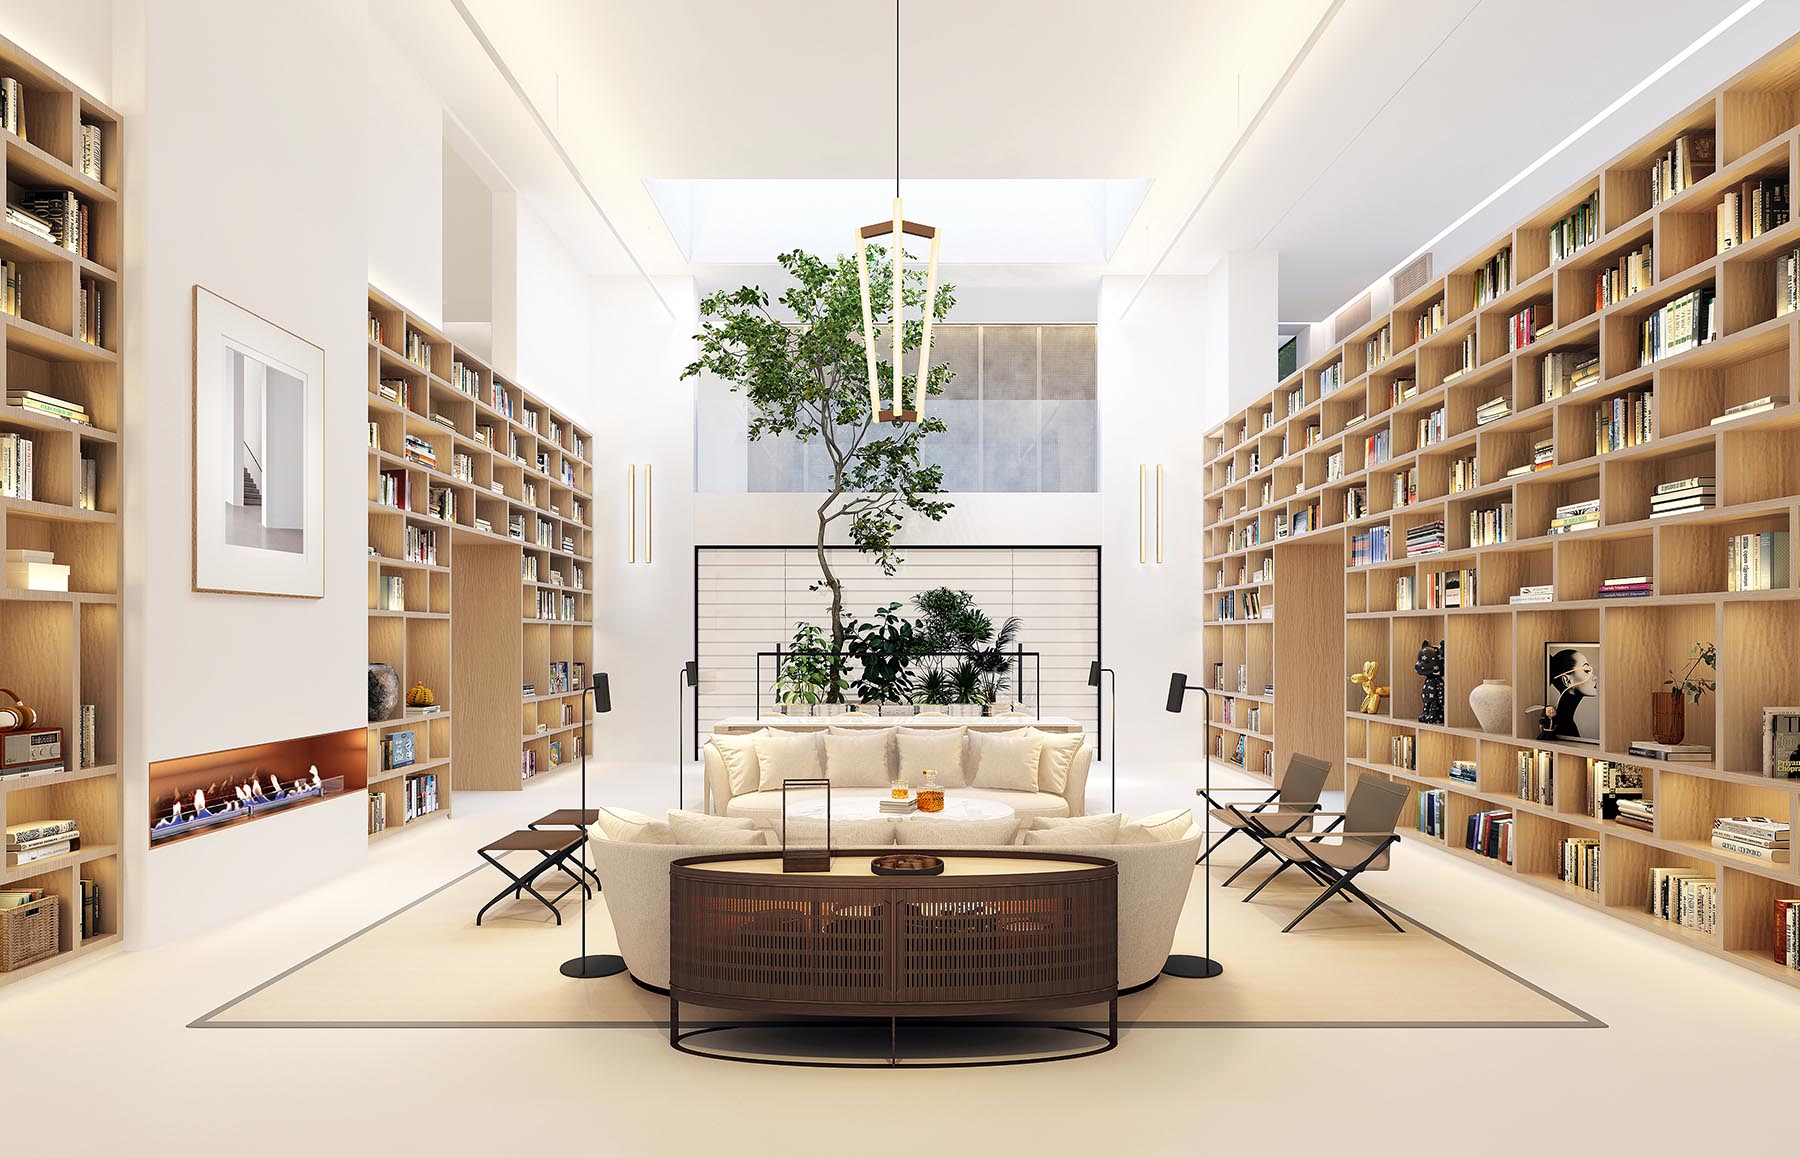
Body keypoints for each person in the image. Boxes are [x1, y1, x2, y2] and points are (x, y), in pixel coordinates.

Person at [1538, 648, 1597, 740]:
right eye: (1586, 670)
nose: (1594, 677)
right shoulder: (1565, 726)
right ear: (1567, 680)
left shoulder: (1567, 724)